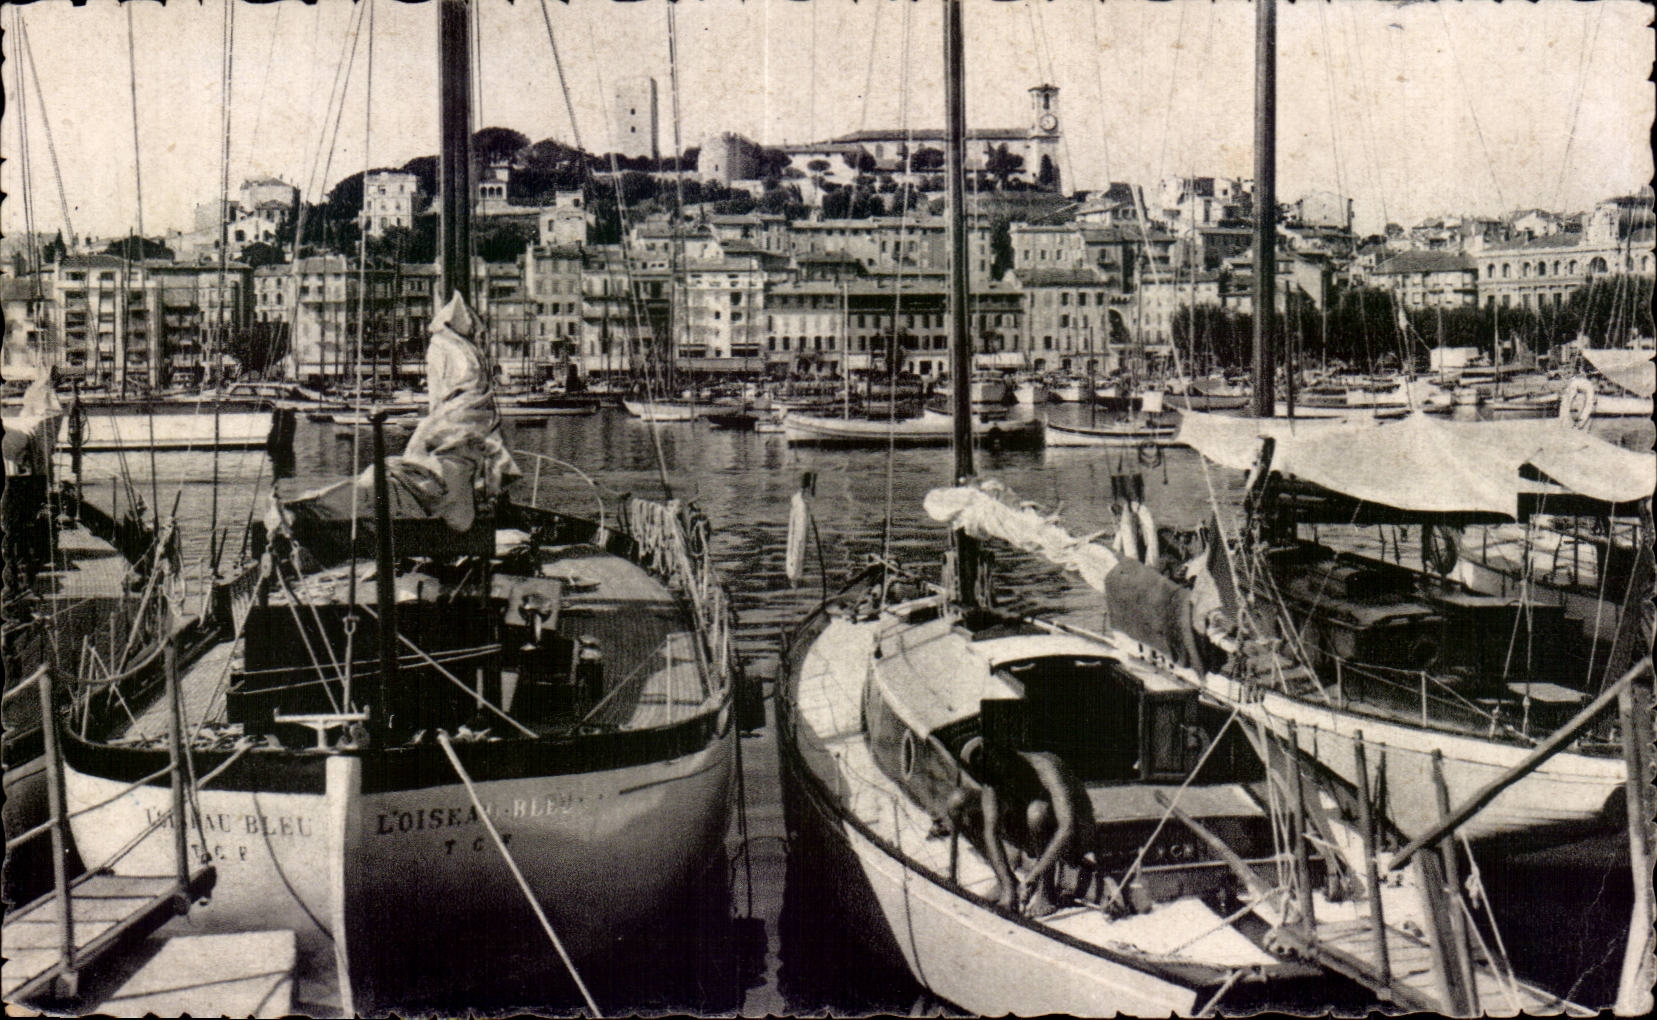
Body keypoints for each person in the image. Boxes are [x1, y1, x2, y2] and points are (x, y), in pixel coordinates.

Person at [955, 736, 1097, 916]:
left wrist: (1032, 877)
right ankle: (1006, 882)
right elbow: (990, 831)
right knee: (957, 801)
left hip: (1078, 836)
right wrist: (1008, 886)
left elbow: (1067, 828)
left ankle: (1047, 893)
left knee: (1037, 812)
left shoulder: (1046, 767)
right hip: (1037, 832)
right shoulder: (993, 774)